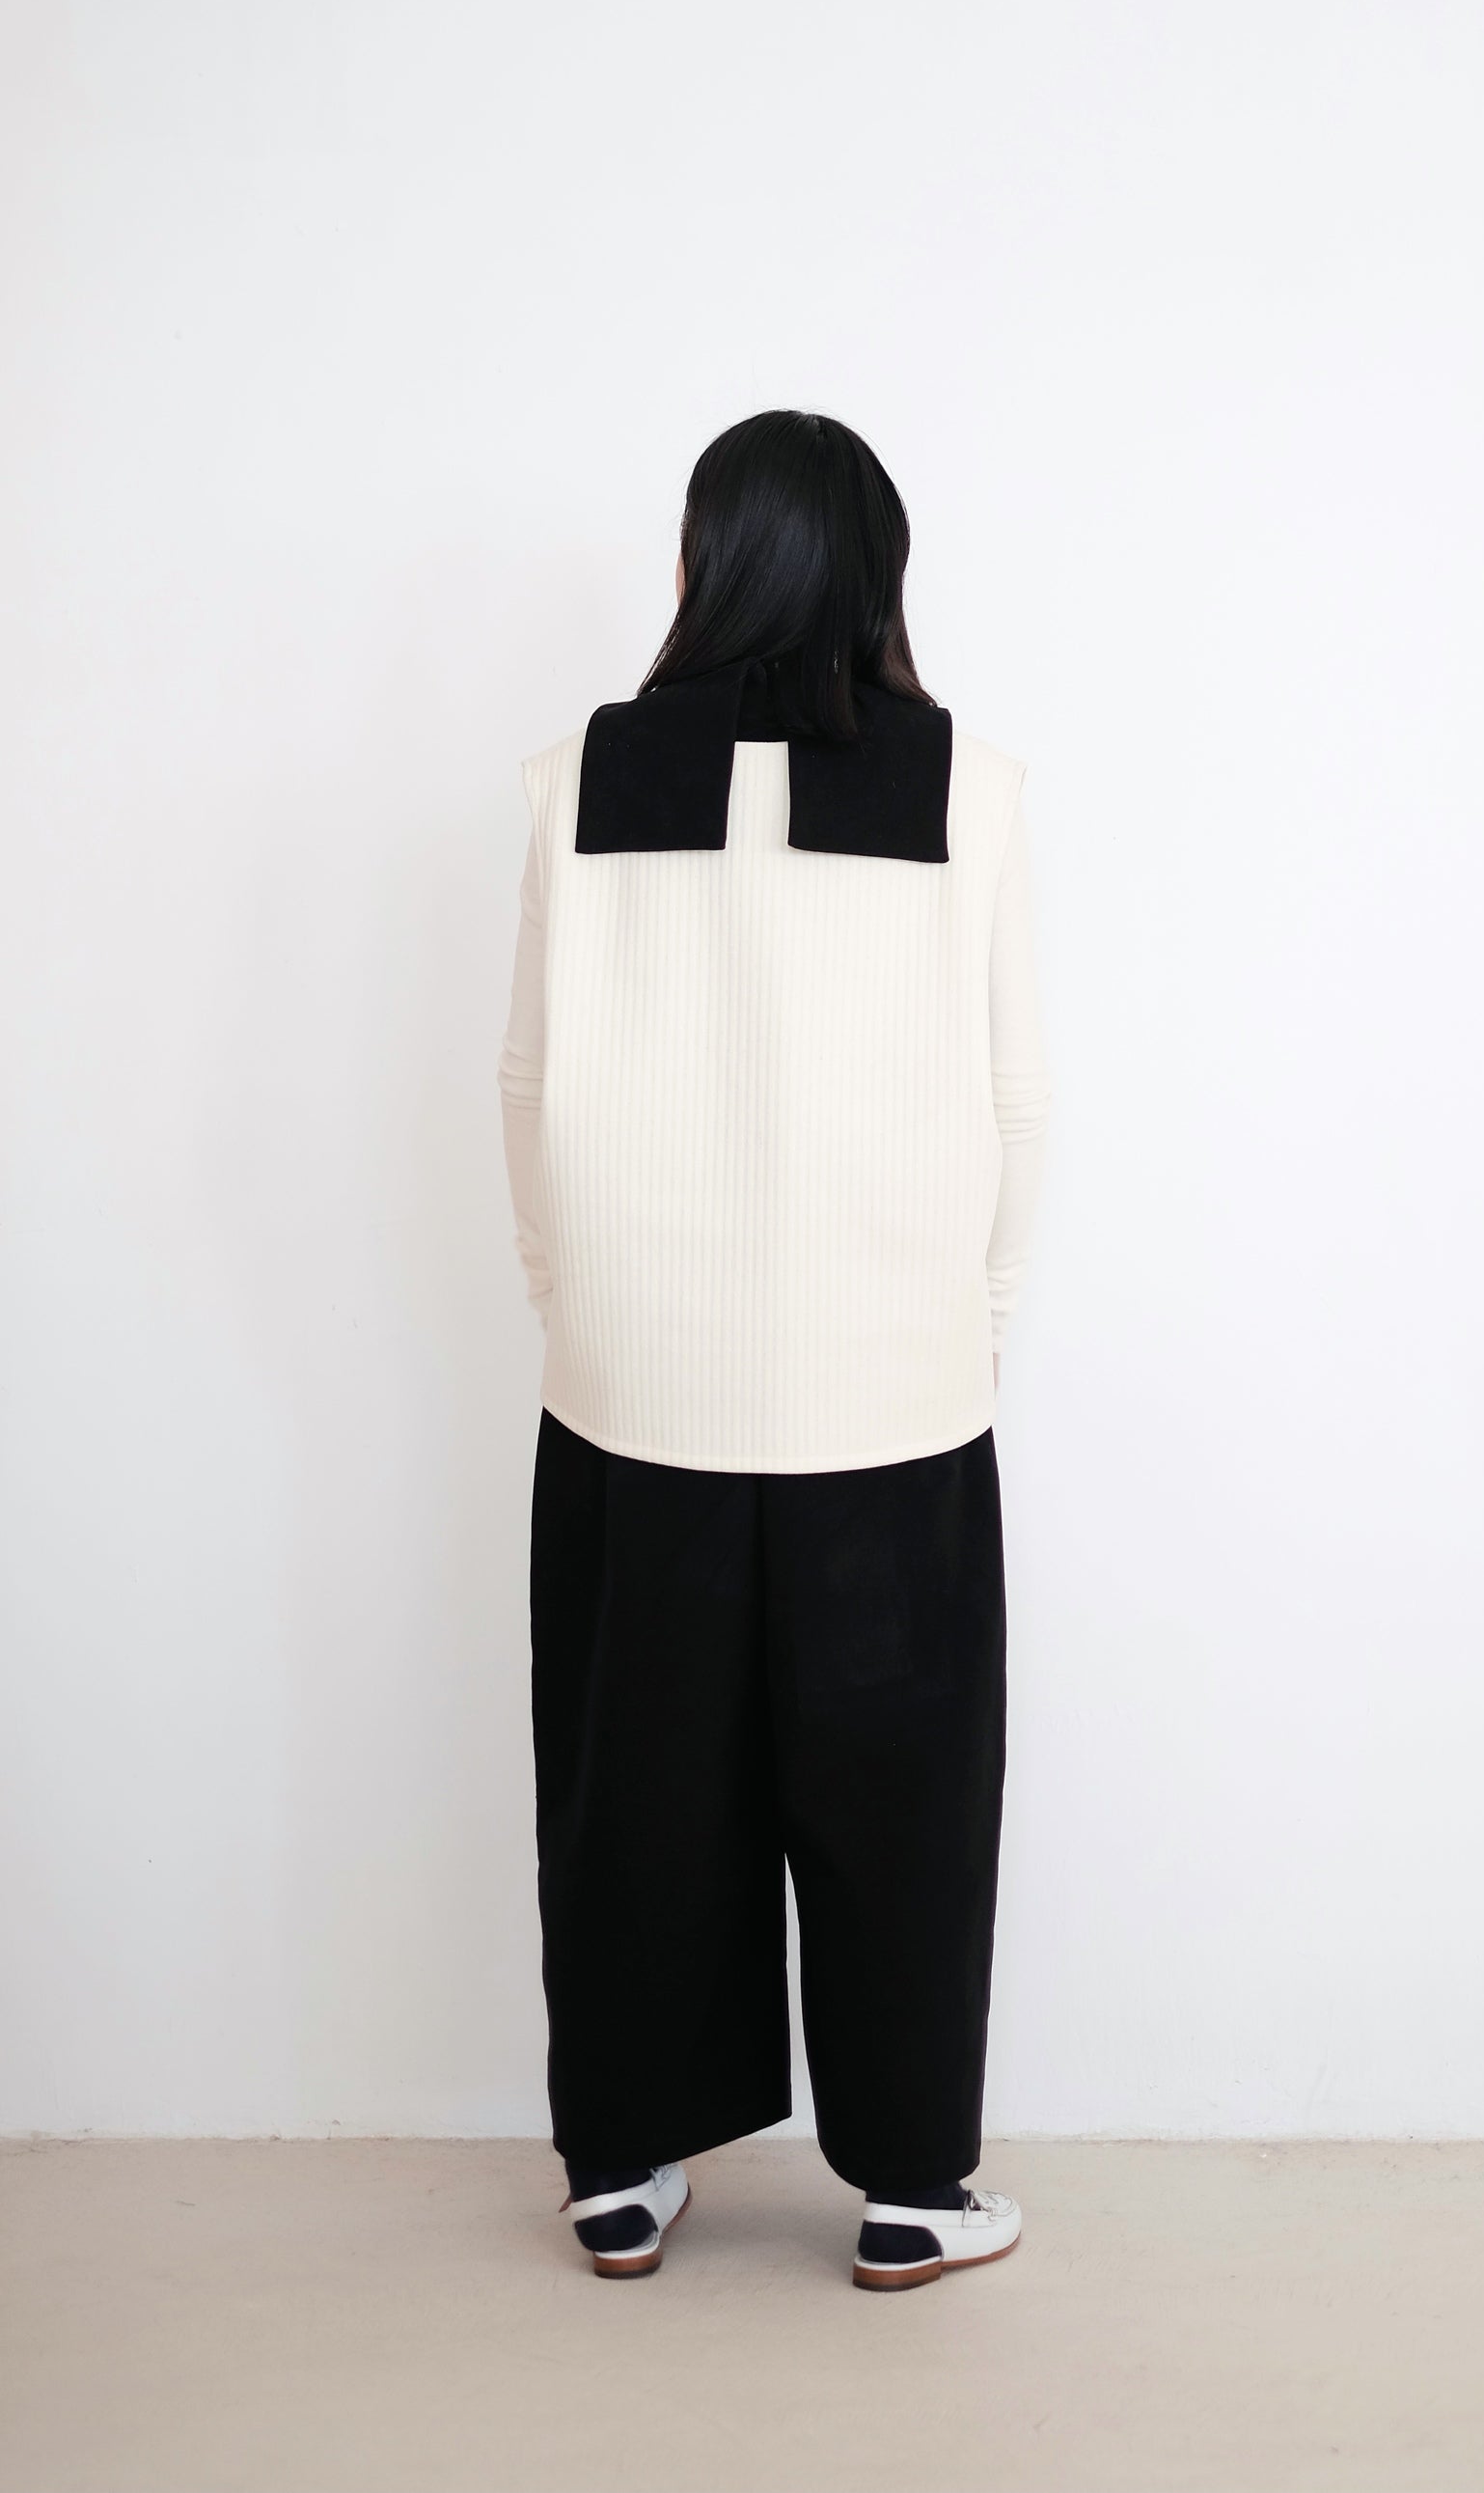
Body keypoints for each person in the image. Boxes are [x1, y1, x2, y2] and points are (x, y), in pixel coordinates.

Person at [497, 410, 1050, 2292]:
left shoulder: (582, 774)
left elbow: (525, 1085)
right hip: (891, 1390)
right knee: (904, 1805)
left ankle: (622, 2166)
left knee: (633, 1793)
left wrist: (577, 1305)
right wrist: (969, 1327)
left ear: (703, 562)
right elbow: (1021, 1101)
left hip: (629, 1390)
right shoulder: (965, 783)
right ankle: (910, 2186)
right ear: (879, 573)